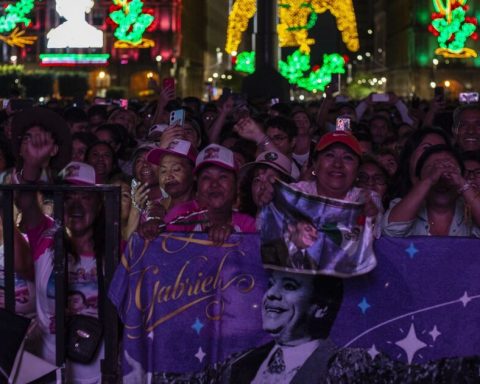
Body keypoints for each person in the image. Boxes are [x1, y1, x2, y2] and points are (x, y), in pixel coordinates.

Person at [33, 161, 105, 383]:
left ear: (99, 203)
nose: (75, 206)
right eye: (67, 197)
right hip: (48, 368)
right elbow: (24, 202)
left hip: (99, 371)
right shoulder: (43, 240)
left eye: (84, 197)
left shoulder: (115, 249)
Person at [224, 270, 344, 383]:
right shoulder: (236, 364)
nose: (270, 293)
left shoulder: (344, 369)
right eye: (270, 284)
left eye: (289, 286)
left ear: (321, 308)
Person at [164, 144, 256, 244]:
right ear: (197, 184)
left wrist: (235, 237)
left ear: (236, 185)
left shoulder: (247, 225)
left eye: (223, 177)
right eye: (206, 177)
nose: (215, 184)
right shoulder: (180, 216)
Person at [383, 144, 480, 237]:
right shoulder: (402, 204)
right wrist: (430, 179)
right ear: (417, 180)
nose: (442, 178)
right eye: (432, 168)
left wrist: (462, 184)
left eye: (451, 169)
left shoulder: (470, 211)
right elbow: (391, 230)